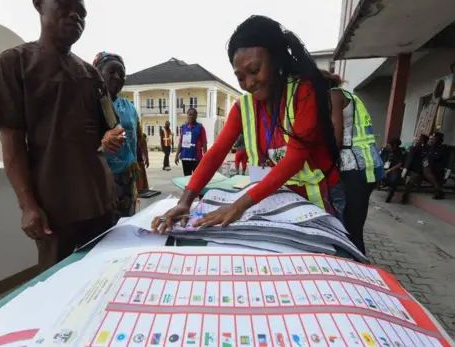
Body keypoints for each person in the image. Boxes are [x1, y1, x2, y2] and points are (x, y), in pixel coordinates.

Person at [0, 0, 125, 270]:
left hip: (100, 200)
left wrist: (112, 136)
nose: (75, 16)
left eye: (81, 13)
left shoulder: (91, 76)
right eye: (64, 6)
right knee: (56, 283)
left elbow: (110, 126)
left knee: (102, 274)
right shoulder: (13, 65)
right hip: (54, 208)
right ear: (38, 5)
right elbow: (12, 145)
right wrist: (27, 205)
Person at [152, 15, 344, 235]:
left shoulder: (303, 92)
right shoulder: (243, 107)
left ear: (276, 60)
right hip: (282, 198)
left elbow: (294, 160)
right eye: (240, 77)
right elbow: (216, 153)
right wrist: (186, 200)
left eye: (254, 71)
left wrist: (237, 206)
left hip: (322, 196)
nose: (249, 83)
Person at [322, 69, 384, 254]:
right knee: (353, 225)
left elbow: (336, 138)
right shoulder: (349, 96)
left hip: (355, 167)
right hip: (366, 166)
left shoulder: (333, 95)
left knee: (351, 229)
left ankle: (360, 272)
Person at [93, 52, 141, 217]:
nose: (117, 77)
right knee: (104, 226)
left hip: (127, 177)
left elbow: (136, 139)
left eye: (121, 74)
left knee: (126, 222)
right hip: (99, 178)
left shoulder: (129, 107)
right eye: (111, 72)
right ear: (97, 74)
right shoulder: (88, 105)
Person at [175, 108, 208, 176]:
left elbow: (204, 143)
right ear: (187, 115)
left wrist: (206, 157)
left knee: (197, 177)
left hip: (196, 157)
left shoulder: (200, 127)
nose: (191, 116)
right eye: (190, 114)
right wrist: (176, 155)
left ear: (196, 116)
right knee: (187, 177)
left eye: (193, 115)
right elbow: (180, 142)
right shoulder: (183, 127)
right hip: (185, 156)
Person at [402, 134, 430, 203]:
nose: (415, 139)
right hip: (415, 168)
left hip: (418, 169)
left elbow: (410, 159)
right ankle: (405, 194)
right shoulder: (414, 147)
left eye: (418, 139)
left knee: (412, 179)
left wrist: (405, 168)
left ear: (422, 140)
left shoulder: (416, 148)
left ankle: (405, 195)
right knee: (412, 178)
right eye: (416, 138)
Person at [383, 138, 406, 203]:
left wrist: (389, 170)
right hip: (387, 167)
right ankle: (387, 184)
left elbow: (400, 164)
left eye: (390, 145)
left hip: (396, 169)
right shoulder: (388, 151)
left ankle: (391, 194)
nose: (388, 147)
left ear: (395, 145)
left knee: (394, 179)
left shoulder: (401, 152)